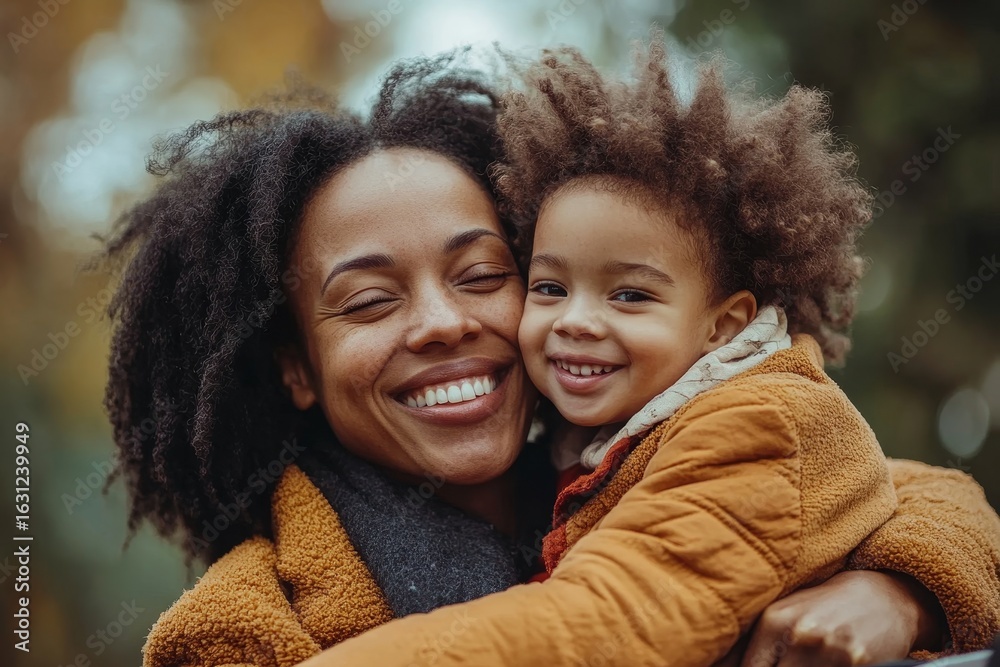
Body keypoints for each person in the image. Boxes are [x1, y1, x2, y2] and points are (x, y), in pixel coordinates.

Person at [100, 53, 1000, 667]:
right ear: (296, 366)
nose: (443, 323)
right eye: (372, 300)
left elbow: (912, 487)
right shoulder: (244, 625)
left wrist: (902, 589)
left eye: (486, 274)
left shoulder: (620, 458)